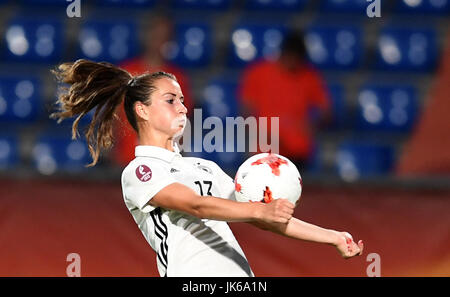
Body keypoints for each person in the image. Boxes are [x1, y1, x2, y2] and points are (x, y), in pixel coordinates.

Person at [50, 59, 363, 277]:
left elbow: (266, 219)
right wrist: (259, 211)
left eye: (183, 100)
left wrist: (332, 237)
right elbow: (196, 205)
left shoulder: (204, 167)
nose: (183, 107)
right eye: (171, 100)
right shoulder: (139, 171)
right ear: (142, 110)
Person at [239, 29, 332, 167]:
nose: (292, 61)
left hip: (297, 151)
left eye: (297, 58)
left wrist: (311, 126)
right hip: (265, 151)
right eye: (290, 56)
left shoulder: (309, 76)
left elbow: (326, 111)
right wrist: (262, 134)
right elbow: (246, 109)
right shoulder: (259, 72)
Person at [114, 16, 194, 167]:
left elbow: (182, 122)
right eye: (155, 35)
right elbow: (113, 115)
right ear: (146, 36)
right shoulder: (126, 72)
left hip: (164, 163)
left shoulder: (179, 79)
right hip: (127, 159)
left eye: (164, 37)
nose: (159, 42)